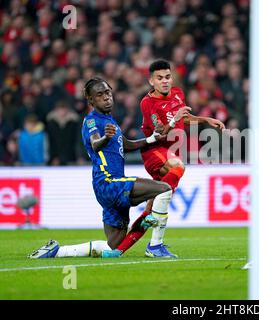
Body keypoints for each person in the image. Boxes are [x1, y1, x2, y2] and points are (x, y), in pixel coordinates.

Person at [28, 77, 172, 259]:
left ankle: (57, 251)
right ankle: (156, 246)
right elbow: (96, 143)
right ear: (91, 100)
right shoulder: (92, 121)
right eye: (100, 95)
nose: (106, 97)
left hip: (109, 187)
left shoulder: (109, 120)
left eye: (108, 93)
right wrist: (105, 137)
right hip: (109, 182)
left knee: (112, 246)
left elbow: (125, 144)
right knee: (164, 190)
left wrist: (152, 138)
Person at [113, 59, 225, 259]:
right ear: (151, 81)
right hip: (155, 151)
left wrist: (205, 120)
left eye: (167, 77)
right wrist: (175, 118)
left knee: (156, 201)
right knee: (178, 168)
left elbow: (183, 118)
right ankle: (154, 226)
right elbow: (160, 133)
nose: (165, 81)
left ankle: (121, 249)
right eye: (159, 78)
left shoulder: (178, 94)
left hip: (172, 151)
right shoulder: (147, 103)